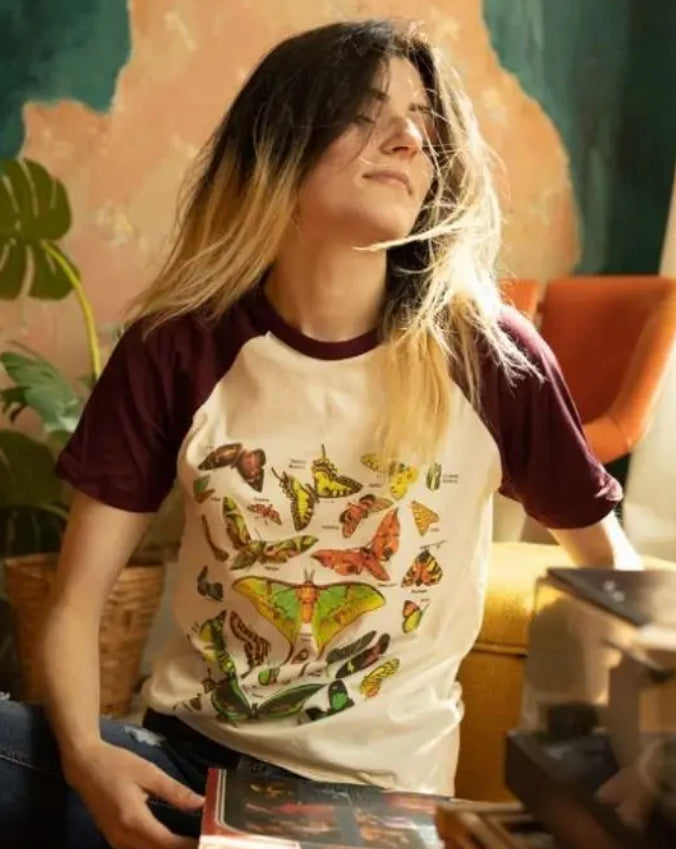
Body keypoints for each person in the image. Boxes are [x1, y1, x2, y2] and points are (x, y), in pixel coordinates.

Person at [0, 17, 640, 849]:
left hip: (373, 806)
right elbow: (79, 597)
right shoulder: (178, 345)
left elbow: (613, 577)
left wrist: (627, 758)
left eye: (421, 118)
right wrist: (88, 757)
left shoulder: (491, 358)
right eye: (366, 113)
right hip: (185, 763)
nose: (410, 137)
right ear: (280, 140)